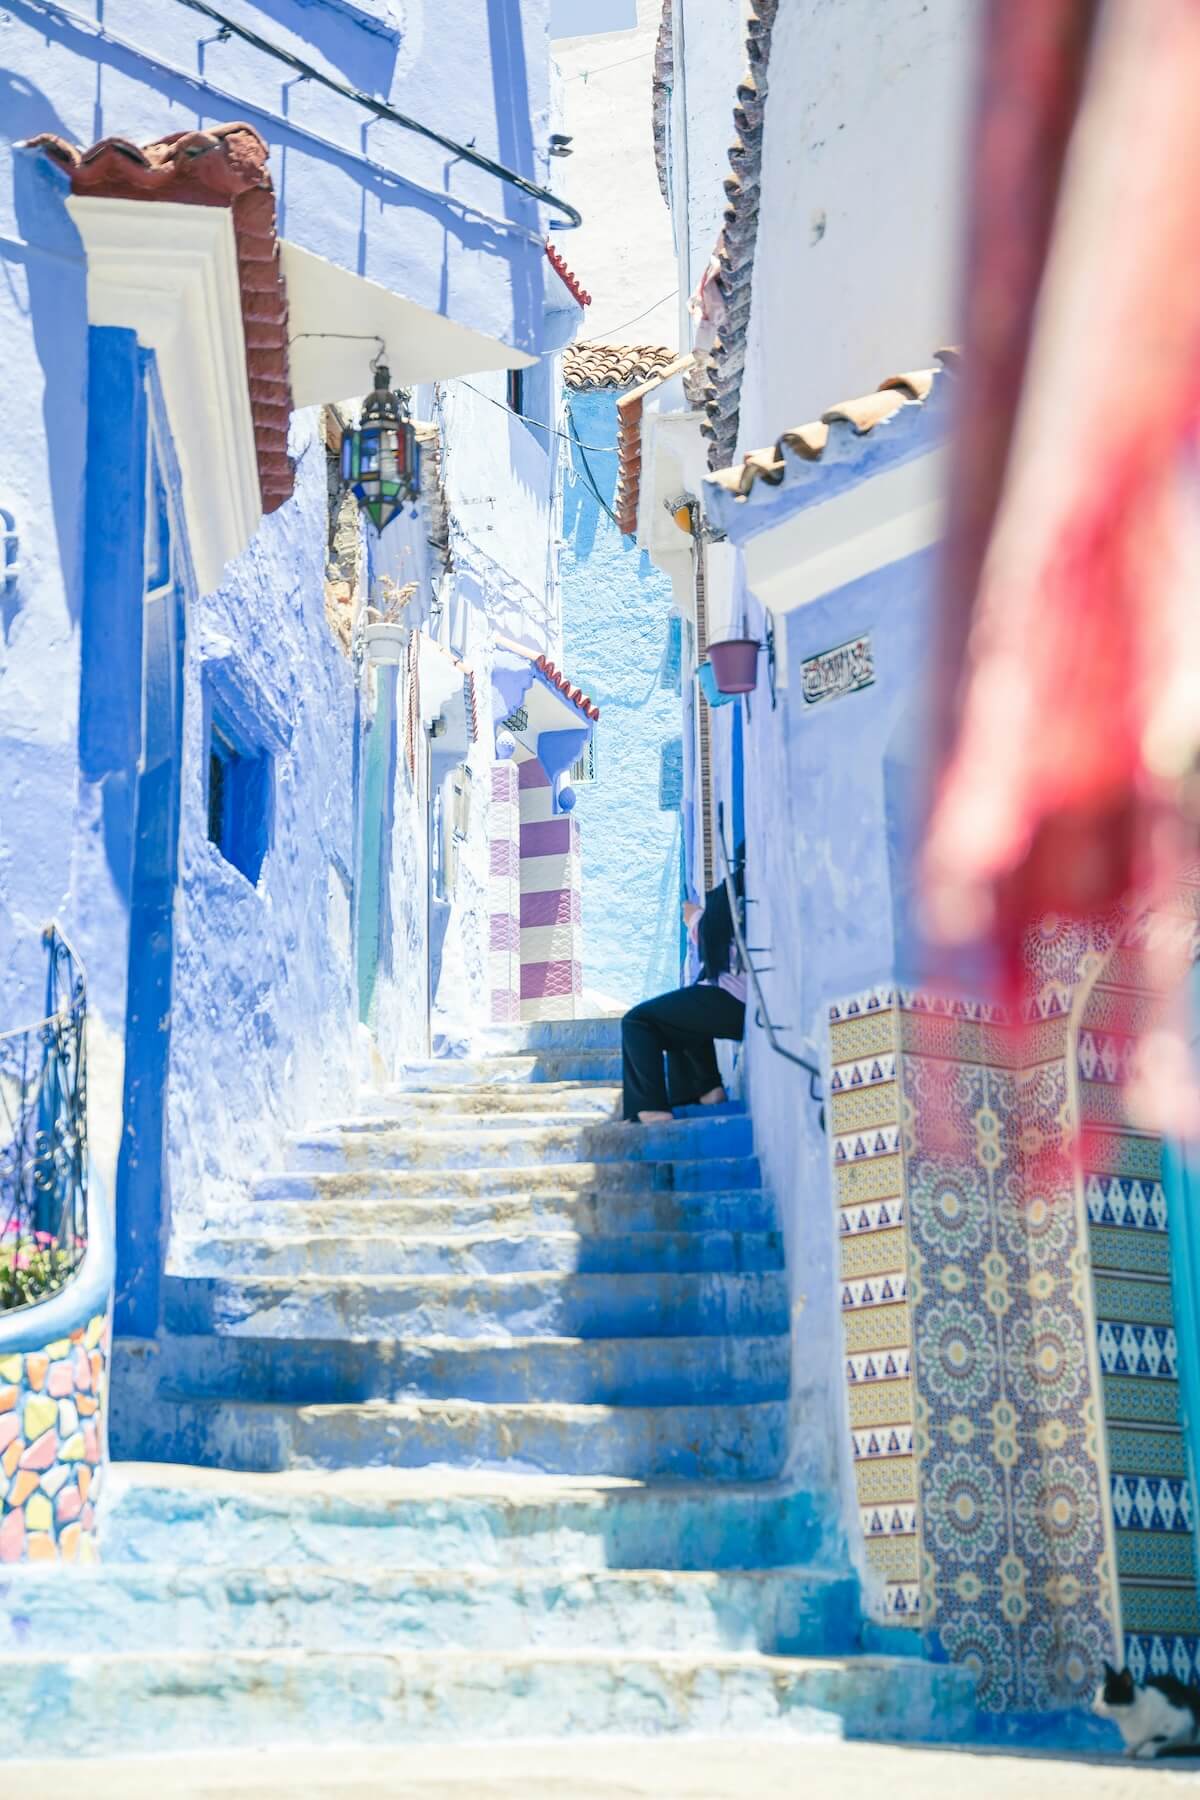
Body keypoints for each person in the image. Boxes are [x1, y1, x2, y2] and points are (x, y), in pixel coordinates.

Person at [621, 858, 747, 1124]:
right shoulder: (755, 892)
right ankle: (706, 1091)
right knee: (678, 1020)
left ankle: (650, 1107)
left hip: (735, 999)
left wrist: (694, 917)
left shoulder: (744, 887)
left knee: (637, 1021)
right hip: (736, 999)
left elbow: (711, 936)